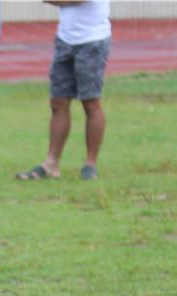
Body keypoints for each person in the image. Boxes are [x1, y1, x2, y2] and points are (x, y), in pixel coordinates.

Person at [16, 0, 111, 181]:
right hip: (65, 39)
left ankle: (90, 164)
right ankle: (51, 163)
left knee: (90, 102)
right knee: (58, 102)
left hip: (92, 41)